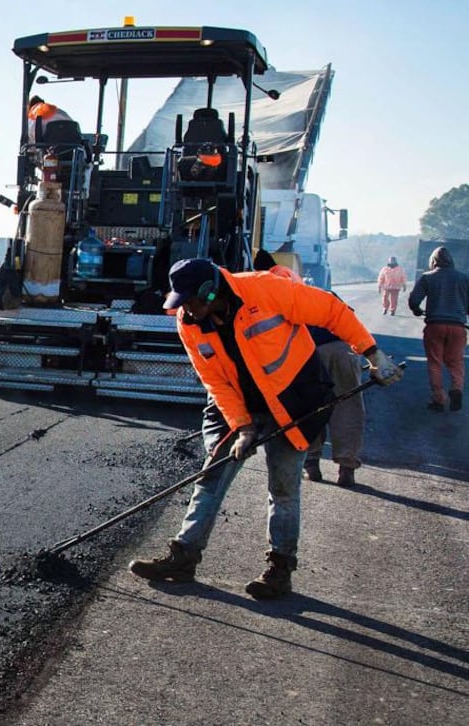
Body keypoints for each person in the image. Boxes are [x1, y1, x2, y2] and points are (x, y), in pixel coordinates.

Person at [129, 258, 401, 599]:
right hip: (239, 403)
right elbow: (214, 381)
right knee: (212, 476)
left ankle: (279, 570)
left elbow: (332, 310)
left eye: (190, 301)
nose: (186, 310)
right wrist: (242, 428)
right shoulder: (189, 323)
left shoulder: (265, 289)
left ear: (210, 292)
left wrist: (374, 355)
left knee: (283, 485)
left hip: (293, 398)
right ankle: (183, 557)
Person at [250, 251, 367, 487]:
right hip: (344, 346)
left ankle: (312, 464)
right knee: (348, 405)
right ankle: (347, 467)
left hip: (313, 349)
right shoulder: (308, 285)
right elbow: (346, 316)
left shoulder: (268, 285)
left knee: (311, 405)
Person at [408, 246, 469, 412]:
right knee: (456, 362)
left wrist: (416, 310)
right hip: (457, 327)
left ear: (433, 261)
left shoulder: (428, 277)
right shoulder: (464, 278)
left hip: (435, 326)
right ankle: (456, 389)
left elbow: (414, 299)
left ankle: (439, 400)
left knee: (435, 363)